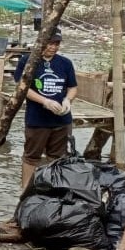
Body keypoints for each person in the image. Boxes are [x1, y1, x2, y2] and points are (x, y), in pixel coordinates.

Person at [13, 31, 77, 190]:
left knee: (57, 157)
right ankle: (25, 191)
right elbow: (22, 87)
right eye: (50, 43)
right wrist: (45, 101)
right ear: (41, 42)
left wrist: (67, 100)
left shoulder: (65, 63)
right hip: (37, 119)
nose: (53, 47)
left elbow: (72, 87)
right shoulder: (27, 61)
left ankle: (52, 190)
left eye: (56, 44)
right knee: (31, 157)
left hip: (61, 119)